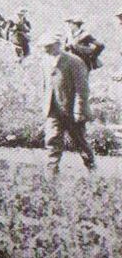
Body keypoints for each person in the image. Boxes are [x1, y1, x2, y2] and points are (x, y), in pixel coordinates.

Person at [37, 33, 95, 173]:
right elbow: (45, 85)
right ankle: (51, 171)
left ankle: (91, 167)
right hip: (53, 109)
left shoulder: (74, 61)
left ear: (58, 45)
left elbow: (82, 89)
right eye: (44, 47)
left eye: (49, 46)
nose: (46, 49)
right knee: (52, 139)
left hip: (72, 110)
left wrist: (79, 110)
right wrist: (44, 105)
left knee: (79, 141)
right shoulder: (45, 61)